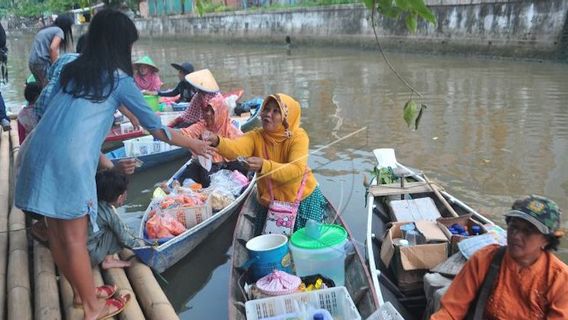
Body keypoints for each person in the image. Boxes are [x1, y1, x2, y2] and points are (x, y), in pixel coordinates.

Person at [15, 10, 213, 320]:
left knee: (57, 235)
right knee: (76, 240)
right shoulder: (120, 80)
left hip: (35, 150)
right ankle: (93, 309)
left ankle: (84, 297)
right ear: (120, 45)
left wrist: (120, 107)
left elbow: (47, 106)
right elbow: (160, 131)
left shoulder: (68, 65)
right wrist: (194, 143)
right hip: (70, 162)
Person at [431, 195, 568, 320]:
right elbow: (451, 310)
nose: (516, 235)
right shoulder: (484, 259)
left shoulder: (560, 280)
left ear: (546, 240)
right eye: (513, 227)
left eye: (527, 231)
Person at [207, 93, 326, 231]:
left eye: (276, 111)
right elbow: (235, 149)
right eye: (266, 109)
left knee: (306, 246)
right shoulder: (256, 136)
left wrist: (264, 165)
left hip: (302, 202)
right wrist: (217, 141)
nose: (268, 114)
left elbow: (296, 170)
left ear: (287, 117)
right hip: (270, 204)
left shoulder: (298, 137)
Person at [177, 95, 244, 187]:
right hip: (205, 167)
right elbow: (184, 133)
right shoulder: (201, 126)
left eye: (212, 111)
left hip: (227, 166)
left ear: (220, 112)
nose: (208, 114)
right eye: (206, 110)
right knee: (192, 173)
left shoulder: (231, 130)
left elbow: (244, 148)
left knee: (240, 168)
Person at [89, 169, 141, 270]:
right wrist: (142, 248)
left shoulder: (93, 202)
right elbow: (125, 239)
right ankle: (108, 260)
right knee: (115, 230)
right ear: (119, 197)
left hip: (79, 250)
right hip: (91, 257)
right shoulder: (110, 214)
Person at [28, 15, 73, 87]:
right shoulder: (59, 31)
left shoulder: (46, 30)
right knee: (49, 86)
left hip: (32, 62)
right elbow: (53, 48)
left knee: (41, 87)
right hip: (42, 62)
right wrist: (55, 66)